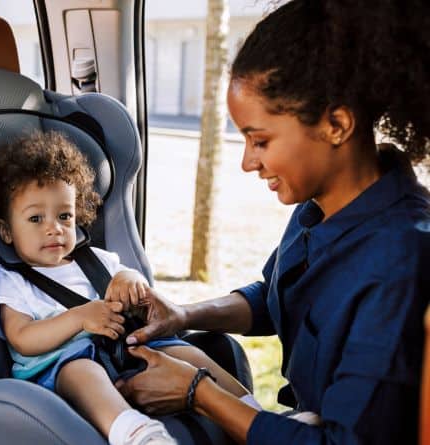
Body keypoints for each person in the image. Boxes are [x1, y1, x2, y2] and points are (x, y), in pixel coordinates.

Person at [115, 0, 430, 444]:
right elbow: (276, 296)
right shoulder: (319, 207)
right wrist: (183, 315)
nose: (247, 162)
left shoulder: (399, 259)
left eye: (259, 141)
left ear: (336, 124)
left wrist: (197, 393)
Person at [0, 131, 255, 445]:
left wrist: (131, 282)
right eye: (36, 218)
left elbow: (133, 282)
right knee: (82, 372)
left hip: (125, 348)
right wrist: (80, 318)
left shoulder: (96, 260)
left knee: (185, 352)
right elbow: (21, 338)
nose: (54, 228)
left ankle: (254, 415)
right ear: (6, 230)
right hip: (60, 366)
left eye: (64, 216)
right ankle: (138, 434)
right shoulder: (13, 279)